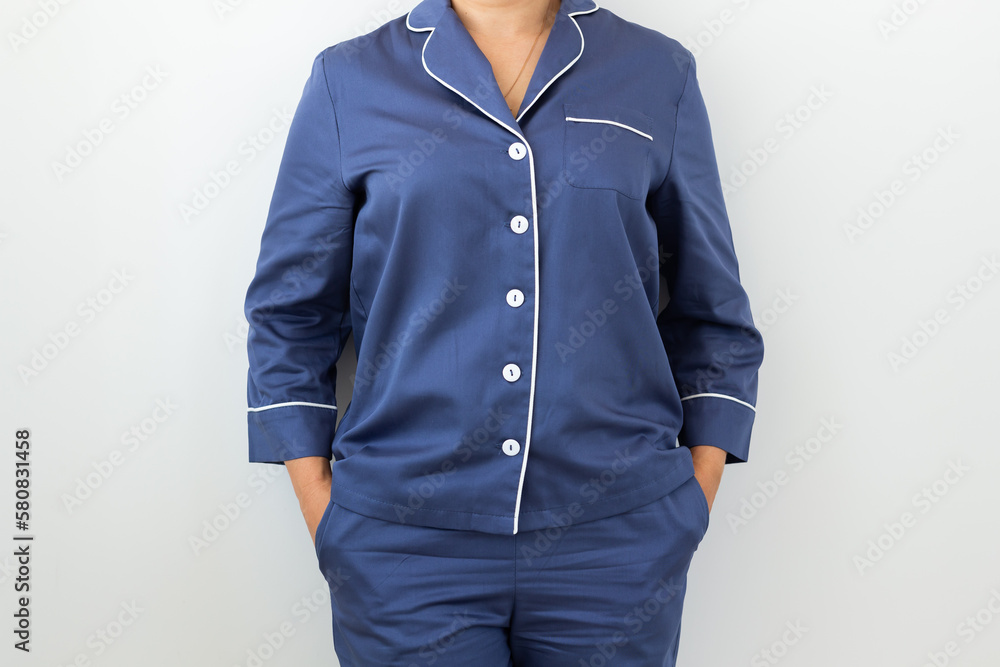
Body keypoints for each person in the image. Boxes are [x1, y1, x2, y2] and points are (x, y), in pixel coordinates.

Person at [243, 0, 764, 664]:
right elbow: (290, 314)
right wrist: (326, 513)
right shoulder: (349, 81)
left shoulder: (657, 73)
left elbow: (712, 312)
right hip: (403, 550)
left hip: (617, 547)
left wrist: (689, 503)